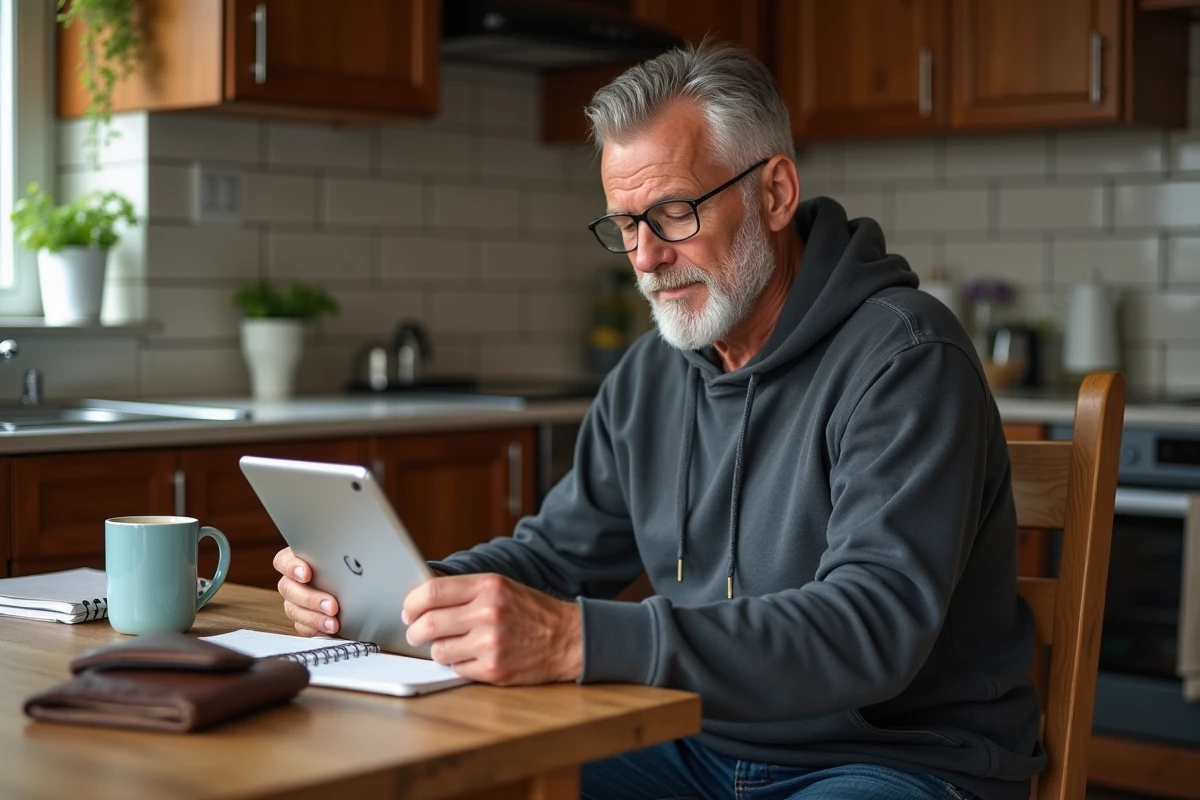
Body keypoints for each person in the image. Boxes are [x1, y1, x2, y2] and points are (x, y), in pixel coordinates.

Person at [273, 43, 1044, 800]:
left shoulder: (905, 356)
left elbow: (871, 627)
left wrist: (579, 639)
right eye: (624, 224)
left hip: (891, 762)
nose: (644, 257)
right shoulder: (650, 374)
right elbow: (556, 558)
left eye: (672, 213)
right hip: (686, 742)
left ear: (774, 193)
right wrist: (412, 593)